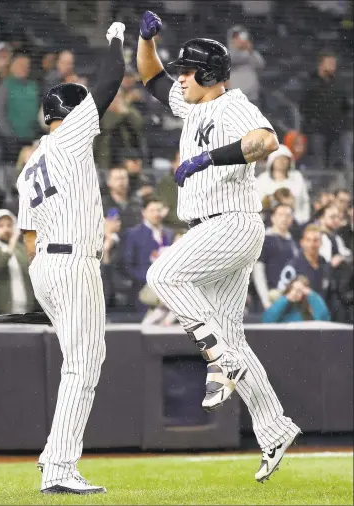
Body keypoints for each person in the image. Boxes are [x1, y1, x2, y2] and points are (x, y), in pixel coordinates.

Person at [137, 11, 300, 483]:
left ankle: (219, 359)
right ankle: (274, 428)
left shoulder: (232, 105)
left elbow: (267, 141)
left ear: (208, 76)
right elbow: (149, 75)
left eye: (187, 70)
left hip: (229, 223)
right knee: (233, 338)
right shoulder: (191, 104)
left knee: (162, 276)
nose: (180, 76)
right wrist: (147, 39)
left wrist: (211, 157)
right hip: (220, 227)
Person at [16, 22, 126, 495]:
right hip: (73, 262)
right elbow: (112, 78)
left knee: (80, 362)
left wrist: (49, 290)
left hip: (46, 263)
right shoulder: (71, 137)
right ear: (69, 111)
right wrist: (118, 37)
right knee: (84, 364)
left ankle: (55, 459)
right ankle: (59, 467)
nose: (89, 109)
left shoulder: (30, 164)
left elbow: (28, 238)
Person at [299, 49, 350, 169]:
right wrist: (312, 121)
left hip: (337, 129)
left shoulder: (339, 83)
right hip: (317, 129)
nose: (333, 66)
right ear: (321, 65)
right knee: (319, 163)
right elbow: (304, 106)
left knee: (337, 162)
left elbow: (346, 105)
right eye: (330, 63)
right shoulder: (311, 83)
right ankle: (320, 185)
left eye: (334, 64)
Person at [123, 196, 173, 311]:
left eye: (159, 210)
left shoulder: (169, 233)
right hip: (144, 288)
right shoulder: (133, 234)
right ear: (144, 212)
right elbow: (127, 265)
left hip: (167, 289)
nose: (156, 214)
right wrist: (146, 279)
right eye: (152, 210)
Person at [253, 204, 298, 310]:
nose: (284, 218)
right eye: (280, 214)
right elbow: (258, 272)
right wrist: (265, 301)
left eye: (288, 215)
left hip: (288, 299)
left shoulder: (293, 243)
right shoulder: (264, 239)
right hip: (268, 300)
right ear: (273, 217)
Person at [256, 144, 310, 224]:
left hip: (295, 222)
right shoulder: (262, 179)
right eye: (278, 159)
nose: (281, 161)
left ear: (290, 161)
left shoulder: (297, 178)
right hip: (267, 223)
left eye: (285, 159)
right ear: (272, 161)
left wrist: (303, 220)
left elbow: (305, 202)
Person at [278, 224, 330, 299]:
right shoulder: (292, 266)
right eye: (308, 240)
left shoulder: (325, 264)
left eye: (316, 240)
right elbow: (282, 295)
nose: (312, 244)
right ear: (302, 242)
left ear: (321, 243)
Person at [262, 275, 330, 323]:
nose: (296, 293)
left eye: (300, 290)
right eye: (293, 288)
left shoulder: (310, 304)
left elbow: (324, 319)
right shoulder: (281, 301)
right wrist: (286, 298)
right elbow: (267, 320)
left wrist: (311, 294)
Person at [228, 25, 265, 107]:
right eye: (236, 37)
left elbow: (260, 66)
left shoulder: (253, 54)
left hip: (252, 97)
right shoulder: (227, 54)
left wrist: (250, 51)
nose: (239, 40)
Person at [101, 166, 142, 233]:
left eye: (123, 178)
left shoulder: (137, 203)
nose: (121, 182)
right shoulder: (102, 204)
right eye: (117, 179)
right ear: (109, 182)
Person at [155, 149, 182, 231]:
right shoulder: (165, 182)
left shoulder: (195, 179)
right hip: (172, 227)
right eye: (181, 159)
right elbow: (165, 207)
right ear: (173, 163)